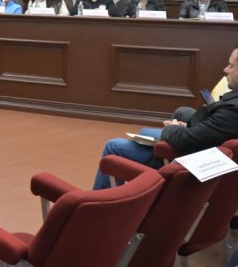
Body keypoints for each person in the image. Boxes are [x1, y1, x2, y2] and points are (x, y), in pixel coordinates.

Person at [93, 46, 238, 190]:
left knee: (113, 146)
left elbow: (187, 140)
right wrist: (186, 127)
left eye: (231, 66)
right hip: (203, 147)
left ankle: (99, 204)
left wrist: (172, 128)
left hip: (189, 164)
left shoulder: (232, 111)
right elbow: (209, 132)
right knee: (144, 133)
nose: (225, 70)